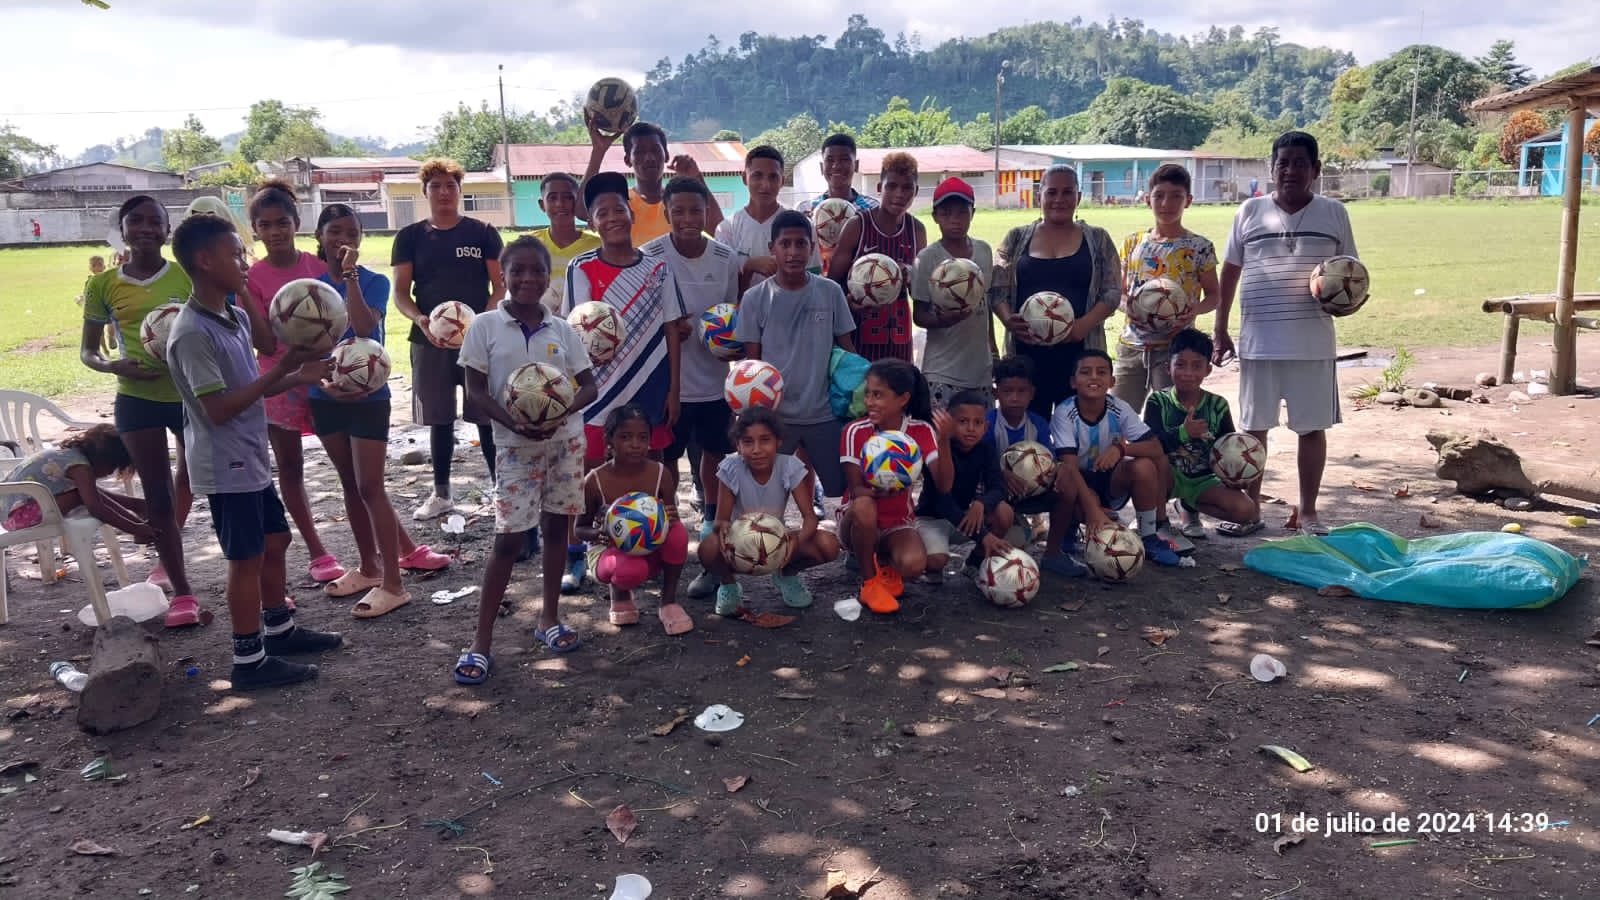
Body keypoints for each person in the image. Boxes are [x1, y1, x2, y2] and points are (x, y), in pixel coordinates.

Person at [164, 213, 342, 690]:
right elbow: (219, 408)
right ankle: (248, 660)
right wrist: (281, 368)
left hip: (249, 455)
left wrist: (298, 374)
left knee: (276, 540)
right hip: (226, 463)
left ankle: (279, 630)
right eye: (236, 254)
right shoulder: (192, 333)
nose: (245, 263)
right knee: (245, 558)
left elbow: (250, 386)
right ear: (205, 261)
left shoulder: (235, 317)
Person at [453, 237, 599, 682]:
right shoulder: (484, 327)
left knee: (556, 529)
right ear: (502, 275)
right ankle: (480, 642)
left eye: (537, 270)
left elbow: (589, 385)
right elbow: (475, 392)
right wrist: (514, 424)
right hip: (515, 448)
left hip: (564, 444)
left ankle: (548, 618)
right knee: (509, 540)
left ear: (547, 276)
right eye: (518, 270)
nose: (528, 279)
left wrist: (562, 413)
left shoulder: (563, 330)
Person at [307, 204, 450, 616]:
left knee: (371, 486)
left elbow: (364, 327)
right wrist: (324, 384)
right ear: (319, 237)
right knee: (350, 485)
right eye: (334, 232)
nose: (343, 240)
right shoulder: (312, 287)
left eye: (352, 233)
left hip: (369, 397)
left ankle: (393, 583)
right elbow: (306, 342)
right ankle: (369, 568)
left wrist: (350, 276)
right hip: (324, 396)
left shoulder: (373, 281)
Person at [1214, 131, 1357, 537]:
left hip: (1312, 344)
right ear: (1271, 168)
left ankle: (1308, 512)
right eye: (1283, 163)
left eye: (1300, 163)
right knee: (1254, 430)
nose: (1290, 171)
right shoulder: (1249, 211)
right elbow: (1230, 272)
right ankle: (1251, 509)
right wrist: (1220, 328)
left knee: (1311, 428)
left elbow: (1350, 275)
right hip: (1259, 343)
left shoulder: (1334, 213)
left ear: (1316, 169)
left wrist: (1346, 302)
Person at [81, 195, 202, 628]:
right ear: (123, 229)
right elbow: (88, 351)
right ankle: (183, 593)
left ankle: (262, 581)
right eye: (136, 221)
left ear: (168, 230)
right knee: (158, 495)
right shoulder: (102, 285)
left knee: (212, 482)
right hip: (137, 401)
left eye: (155, 222)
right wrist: (113, 365)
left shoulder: (188, 276)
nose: (146, 228)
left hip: (190, 396)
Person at [562, 171, 687, 591]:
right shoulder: (581, 267)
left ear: (632, 215)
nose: (612, 217)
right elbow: (576, 329)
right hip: (600, 390)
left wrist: (674, 389)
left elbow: (672, 328)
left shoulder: (657, 268)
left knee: (657, 469)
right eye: (602, 212)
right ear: (592, 222)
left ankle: (656, 544)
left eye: (619, 209)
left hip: (651, 386)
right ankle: (581, 552)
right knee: (592, 474)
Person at [640, 176, 741, 598]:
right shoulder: (650, 256)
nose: (687, 218)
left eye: (695, 210)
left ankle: (710, 550)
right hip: (668, 386)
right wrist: (666, 330)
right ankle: (668, 541)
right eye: (677, 210)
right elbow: (641, 320)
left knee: (714, 461)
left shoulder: (725, 258)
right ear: (665, 213)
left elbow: (733, 316)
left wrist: (727, 341)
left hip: (715, 384)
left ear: (707, 213)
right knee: (665, 463)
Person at [242, 179, 345, 586]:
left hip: (324, 376)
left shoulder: (317, 270)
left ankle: (372, 545)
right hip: (279, 381)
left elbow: (340, 324)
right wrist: (295, 351)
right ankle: (317, 550)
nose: (275, 232)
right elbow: (264, 342)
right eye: (265, 225)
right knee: (290, 466)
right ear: (255, 229)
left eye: (282, 222)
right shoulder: (252, 278)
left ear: (296, 223)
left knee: (347, 464)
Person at [391, 157, 505, 522]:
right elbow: (400, 293)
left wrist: (481, 324)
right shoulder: (410, 237)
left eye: (450, 186)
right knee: (439, 420)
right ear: (424, 192)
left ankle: (501, 492)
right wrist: (421, 320)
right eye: (436, 186)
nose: (444, 192)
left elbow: (500, 286)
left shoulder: (482, 232)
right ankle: (441, 494)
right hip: (430, 342)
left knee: (486, 416)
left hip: (478, 341)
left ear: (460, 191)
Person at [734, 211, 857, 499]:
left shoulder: (830, 292)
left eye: (801, 244)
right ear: (772, 248)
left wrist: (860, 395)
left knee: (843, 492)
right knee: (766, 495)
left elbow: (848, 352)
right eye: (785, 244)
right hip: (776, 417)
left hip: (824, 412)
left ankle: (833, 523)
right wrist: (751, 417)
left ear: (812, 247)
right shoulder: (755, 298)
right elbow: (752, 365)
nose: (793, 252)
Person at [991, 165, 1121, 419]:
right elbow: (997, 290)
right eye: (1051, 192)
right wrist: (1008, 320)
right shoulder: (1016, 238)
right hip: (1027, 356)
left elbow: (1112, 291)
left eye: (1067, 192)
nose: (1059, 199)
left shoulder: (1098, 239)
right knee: (1029, 428)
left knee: (1079, 427)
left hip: (1079, 355)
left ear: (1078, 197)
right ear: (1039, 196)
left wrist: (1083, 325)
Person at [1047, 350, 1182, 574]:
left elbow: (1155, 447)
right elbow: (1069, 466)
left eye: (1101, 372)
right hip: (1079, 482)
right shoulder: (1064, 413)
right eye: (1085, 372)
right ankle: (1069, 527)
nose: (1094, 377)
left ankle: (1149, 536)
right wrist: (1093, 510)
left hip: (1110, 480)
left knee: (1144, 465)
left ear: (1112, 381)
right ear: (1073, 382)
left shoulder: (1119, 408)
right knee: (1071, 486)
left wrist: (1121, 449)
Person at [697, 407, 841, 615]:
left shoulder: (789, 466)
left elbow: (810, 517)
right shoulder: (731, 467)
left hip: (777, 542)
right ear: (738, 445)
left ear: (778, 441)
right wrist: (724, 528)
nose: (756, 449)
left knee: (828, 544)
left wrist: (794, 542)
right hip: (739, 545)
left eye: (765, 440)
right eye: (747, 442)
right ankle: (728, 585)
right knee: (707, 547)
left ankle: (786, 574)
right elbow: (720, 520)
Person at [839, 359, 954, 614]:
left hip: (897, 522)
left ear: (903, 399)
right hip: (857, 519)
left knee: (913, 565)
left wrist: (944, 441)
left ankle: (881, 562)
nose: (869, 401)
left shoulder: (920, 431)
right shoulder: (855, 431)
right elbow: (856, 491)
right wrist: (877, 491)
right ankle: (869, 583)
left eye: (878, 395)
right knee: (865, 506)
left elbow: (945, 485)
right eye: (868, 394)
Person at [1112, 164, 1220, 412]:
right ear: (1147, 200)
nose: (1166, 203)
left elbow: (1214, 296)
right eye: (1159, 195)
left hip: (1176, 351)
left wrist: (1194, 310)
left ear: (1188, 200)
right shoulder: (1133, 243)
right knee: (1119, 416)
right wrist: (1129, 307)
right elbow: (1118, 292)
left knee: (1172, 417)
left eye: (1176, 196)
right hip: (1132, 347)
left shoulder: (1199, 247)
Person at [578, 405, 693, 635]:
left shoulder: (660, 473)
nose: (635, 444)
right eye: (625, 437)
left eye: (642, 437)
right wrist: (599, 533)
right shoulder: (594, 481)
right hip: (609, 552)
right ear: (609, 441)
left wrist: (668, 517)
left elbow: (673, 519)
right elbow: (579, 528)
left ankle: (668, 601)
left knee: (679, 534)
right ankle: (620, 594)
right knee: (631, 570)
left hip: (649, 547)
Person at [1143, 329, 1260, 538]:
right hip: (1167, 477)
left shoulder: (1218, 405)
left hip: (1203, 480)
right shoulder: (1158, 401)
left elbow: (1228, 448)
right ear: (1168, 368)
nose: (1188, 373)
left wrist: (1234, 477)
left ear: (1208, 370)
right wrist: (1183, 433)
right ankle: (1159, 522)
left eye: (1197, 366)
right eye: (1180, 365)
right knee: (1148, 466)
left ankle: (1188, 505)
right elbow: (1151, 446)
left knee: (1246, 511)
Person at [827, 151, 926, 364]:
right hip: (857, 341)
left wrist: (910, 274)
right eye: (892, 186)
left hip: (898, 341)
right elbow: (831, 286)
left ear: (916, 191)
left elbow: (921, 292)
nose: (899, 194)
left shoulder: (916, 230)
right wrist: (849, 301)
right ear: (880, 188)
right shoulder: (857, 226)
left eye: (907, 187)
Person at [911, 177, 997, 410]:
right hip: (942, 370)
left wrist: (994, 353)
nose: (955, 220)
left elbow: (985, 304)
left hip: (980, 370)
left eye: (962, 212)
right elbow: (919, 314)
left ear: (973, 213)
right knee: (943, 431)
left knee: (978, 429)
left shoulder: (983, 251)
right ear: (935, 217)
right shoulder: (927, 258)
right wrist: (942, 320)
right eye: (946, 213)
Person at [913, 390, 1015, 582]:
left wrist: (981, 503)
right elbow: (942, 502)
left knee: (1004, 512)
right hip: (933, 518)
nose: (970, 428)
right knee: (936, 561)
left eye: (977, 423)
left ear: (985, 427)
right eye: (962, 422)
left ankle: (974, 562)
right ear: (949, 424)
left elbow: (999, 487)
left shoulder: (986, 449)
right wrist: (983, 536)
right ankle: (930, 567)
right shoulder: (938, 449)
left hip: (966, 516)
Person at [2, 424, 154, 543]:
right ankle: (140, 528)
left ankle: (137, 507)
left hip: (8, 511)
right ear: (103, 460)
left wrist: (134, 510)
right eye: (112, 467)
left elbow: (94, 495)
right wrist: (134, 528)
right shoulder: (80, 468)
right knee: (81, 496)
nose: (110, 473)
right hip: (16, 518)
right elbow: (96, 508)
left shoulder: (69, 454)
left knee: (87, 492)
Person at [582, 120, 723, 245]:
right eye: (640, 152)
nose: (649, 158)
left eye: (655, 150)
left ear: (666, 155)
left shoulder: (680, 201)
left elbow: (720, 232)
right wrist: (598, 151)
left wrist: (696, 178)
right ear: (627, 160)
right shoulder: (621, 202)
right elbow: (582, 211)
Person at [795, 134, 880, 271]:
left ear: (856, 165)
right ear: (822, 167)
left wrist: (862, 224)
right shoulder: (805, 209)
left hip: (856, 281)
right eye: (830, 160)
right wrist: (806, 226)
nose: (836, 166)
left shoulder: (872, 209)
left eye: (844, 159)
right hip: (816, 281)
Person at [714, 145, 787, 294]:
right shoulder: (727, 229)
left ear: (782, 181)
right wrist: (749, 267)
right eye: (757, 176)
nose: (765, 185)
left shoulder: (799, 226)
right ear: (744, 178)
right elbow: (725, 290)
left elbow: (811, 281)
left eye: (773, 177)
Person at [530, 172, 601, 312]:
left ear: (578, 202)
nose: (560, 204)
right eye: (552, 198)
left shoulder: (597, 247)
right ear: (542, 205)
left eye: (568, 197)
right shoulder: (529, 245)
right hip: (538, 322)